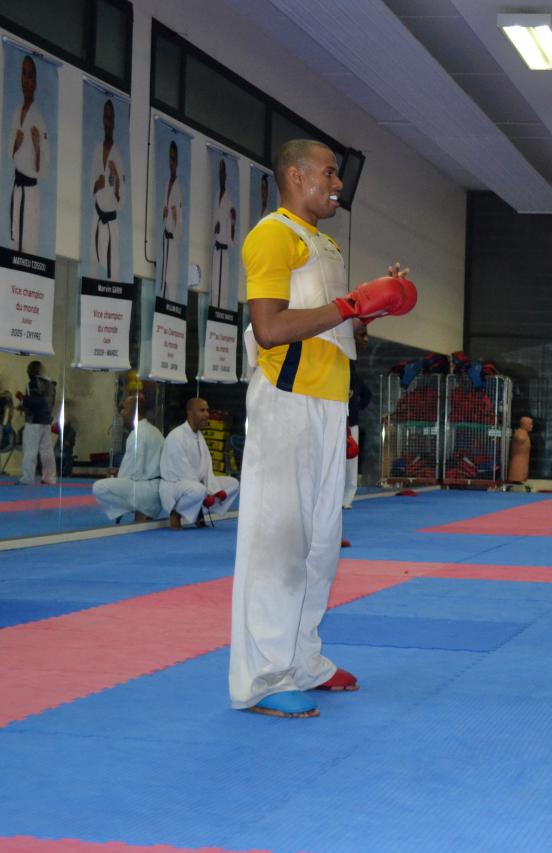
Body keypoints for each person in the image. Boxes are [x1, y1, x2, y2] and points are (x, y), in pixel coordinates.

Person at [229, 138, 416, 718]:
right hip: (286, 402)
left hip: (330, 402)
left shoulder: (326, 244)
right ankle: (262, 677)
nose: (338, 184)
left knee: (318, 546)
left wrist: (374, 307)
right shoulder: (271, 234)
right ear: (296, 175)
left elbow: (342, 331)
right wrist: (352, 304)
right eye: (330, 173)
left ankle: (303, 658)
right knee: (276, 543)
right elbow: (269, 328)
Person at [160, 397, 239, 528]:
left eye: (207, 410)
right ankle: (176, 513)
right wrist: (207, 492)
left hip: (197, 484)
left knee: (233, 484)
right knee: (199, 490)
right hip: (175, 485)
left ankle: (198, 509)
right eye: (202, 410)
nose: (207, 414)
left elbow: (207, 468)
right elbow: (183, 471)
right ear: (190, 413)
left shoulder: (199, 436)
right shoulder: (176, 436)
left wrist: (215, 489)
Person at [92, 396, 163, 522]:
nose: (121, 413)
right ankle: (143, 511)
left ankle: (141, 511)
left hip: (145, 493)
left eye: (124, 409)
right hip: (158, 492)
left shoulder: (137, 434)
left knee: (99, 487)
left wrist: (117, 476)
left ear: (133, 412)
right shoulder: (154, 431)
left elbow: (134, 472)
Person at [9, 55, 45, 254]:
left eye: (30, 75)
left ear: (36, 83)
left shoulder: (39, 119)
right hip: (17, 187)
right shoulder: (15, 112)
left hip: (31, 193)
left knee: (29, 249)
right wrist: (16, 143)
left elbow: (44, 169)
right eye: (23, 74)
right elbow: (8, 151)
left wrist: (37, 147)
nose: (26, 79)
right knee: (14, 246)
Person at [90, 97, 126, 280]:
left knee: (114, 276)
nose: (108, 121)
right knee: (93, 270)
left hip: (112, 223)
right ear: (103, 120)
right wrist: (98, 184)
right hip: (96, 218)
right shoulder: (97, 150)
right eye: (106, 116)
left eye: (111, 117)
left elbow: (122, 200)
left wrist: (117, 179)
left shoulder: (118, 156)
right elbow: (91, 186)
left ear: (114, 122)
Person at [343, 326, 372, 510]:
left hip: (350, 423)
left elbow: (367, 396)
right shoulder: (338, 373)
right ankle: (338, 497)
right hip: (337, 422)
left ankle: (347, 498)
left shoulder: (355, 377)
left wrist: (355, 409)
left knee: (350, 464)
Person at [16, 360, 56, 485]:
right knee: (47, 451)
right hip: (46, 420)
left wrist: (23, 400)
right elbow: (47, 403)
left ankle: (27, 478)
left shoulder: (33, 383)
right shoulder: (51, 384)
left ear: (32, 371)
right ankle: (49, 478)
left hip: (33, 421)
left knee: (30, 450)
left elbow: (35, 401)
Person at [159, 141, 184, 301]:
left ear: (177, 162)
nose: (171, 162)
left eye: (174, 159)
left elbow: (179, 229)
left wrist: (174, 217)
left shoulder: (178, 189)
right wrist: (165, 215)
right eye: (170, 158)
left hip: (173, 244)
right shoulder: (165, 185)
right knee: (162, 284)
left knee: (171, 285)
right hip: (164, 240)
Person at [211, 159, 237, 307]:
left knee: (223, 290)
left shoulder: (229, 203)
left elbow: (232, 239)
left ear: (226, 176)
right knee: (215, 288)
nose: (221, 176)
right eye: (219, 172)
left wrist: (232, 225)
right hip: (216, 250)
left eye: (223, 172)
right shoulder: (216, 197)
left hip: (224, 251)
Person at [508, 415, 534, 483]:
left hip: (522, 461)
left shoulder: (524, 433)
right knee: (518, 473)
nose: (532, 426)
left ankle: (518, 479)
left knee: (521, 473)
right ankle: (516, 479)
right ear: (525, 425)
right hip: (518, 462)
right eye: (530, 424)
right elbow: (520, 438)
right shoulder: (521, 433)